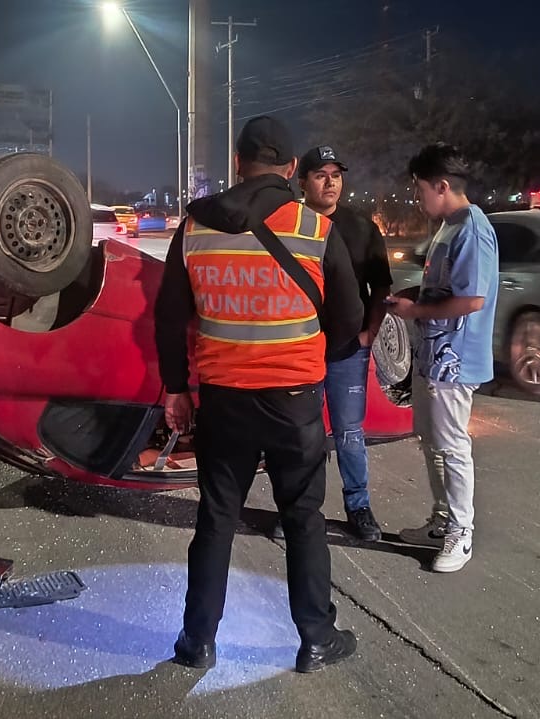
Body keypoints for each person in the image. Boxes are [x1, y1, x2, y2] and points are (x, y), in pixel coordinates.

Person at [154, 116, 363, 673]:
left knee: (217, 517)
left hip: (223, 399)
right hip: (295, 401)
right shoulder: (315, 229)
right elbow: (349, 320)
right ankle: (316, 637)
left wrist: (176, 387)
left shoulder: (195, 227)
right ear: (292, 169)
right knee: (303, 517)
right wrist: (313, 351)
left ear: (237, 163)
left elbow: (169, 315)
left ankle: (197, 641)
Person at [387, 143, 499, 573]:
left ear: (442, 185)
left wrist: (415, 311)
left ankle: (461, 532)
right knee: (431, 441)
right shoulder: (449, 226)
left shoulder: (472, 229)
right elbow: (444, 289)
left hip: (454, 359)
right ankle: (442, 520)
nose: (418, 198)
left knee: (451, 446)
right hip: (434, 354)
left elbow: (472, 300)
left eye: (420, 190)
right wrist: (411, 297)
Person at [288, 145, 394, 542]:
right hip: (298, 350)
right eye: (320, 174)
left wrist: (368, 333)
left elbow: (381, 286)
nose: (330, 182)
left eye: (336, 174)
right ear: (302, 182)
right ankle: (300, 510)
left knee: (349, 432)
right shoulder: (289, 226)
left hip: (348, 351)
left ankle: (359, 506)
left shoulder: (362, 228)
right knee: (304, 433)